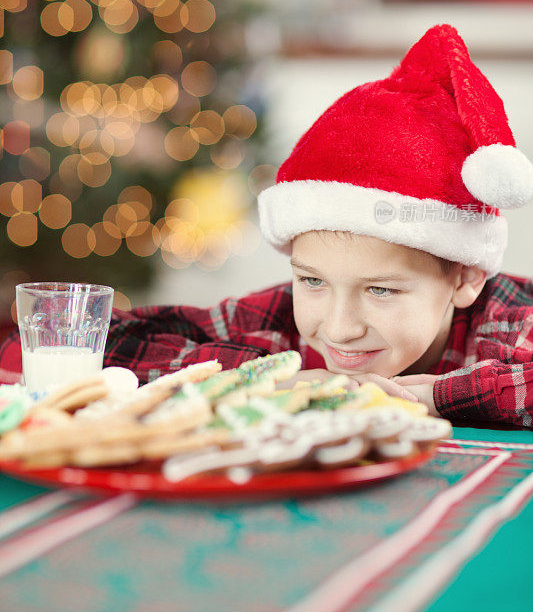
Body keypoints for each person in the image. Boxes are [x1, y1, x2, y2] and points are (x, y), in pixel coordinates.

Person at [1, 24, 532, 425]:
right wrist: (273, 379)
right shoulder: (276, 324)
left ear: (464, 277)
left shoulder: (508, 320)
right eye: (313, 281)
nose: (339, 327)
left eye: (382, 290)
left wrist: (432, 396)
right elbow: (72, 349)